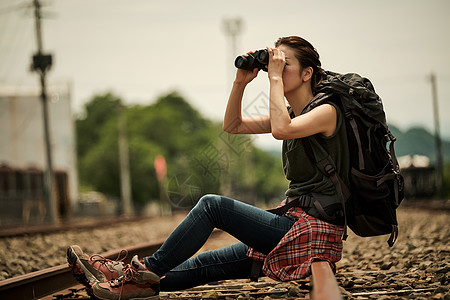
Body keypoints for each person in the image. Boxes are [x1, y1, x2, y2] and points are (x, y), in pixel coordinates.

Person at [67, 36, 349, 300]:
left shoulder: (327, 112)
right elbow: (233, 126)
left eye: (285, 65)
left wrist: (273, 77)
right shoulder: (288, 115)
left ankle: (138, 271)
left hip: (313, 231)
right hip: (294, 224)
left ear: (307, 73)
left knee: (212, 206)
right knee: (205, 265)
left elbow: (281, 130)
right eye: (274, 64)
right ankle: (124, 285)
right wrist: (241, 82)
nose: (276, 70)